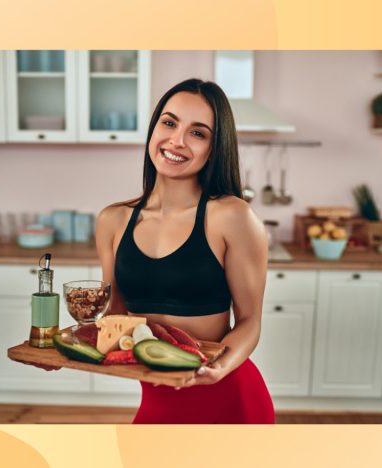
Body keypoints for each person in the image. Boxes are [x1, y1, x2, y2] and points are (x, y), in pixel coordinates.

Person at [95, 78, 275, 424]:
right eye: (169, 122)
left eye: (198, 132)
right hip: (157, 400)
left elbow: (251, 321)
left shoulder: (232, 217)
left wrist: (218, 367)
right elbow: (114, 319)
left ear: (213, 148)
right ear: (153, 129)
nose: (176, 140)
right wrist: (62, 348)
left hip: (228, 398)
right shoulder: (113, 220)